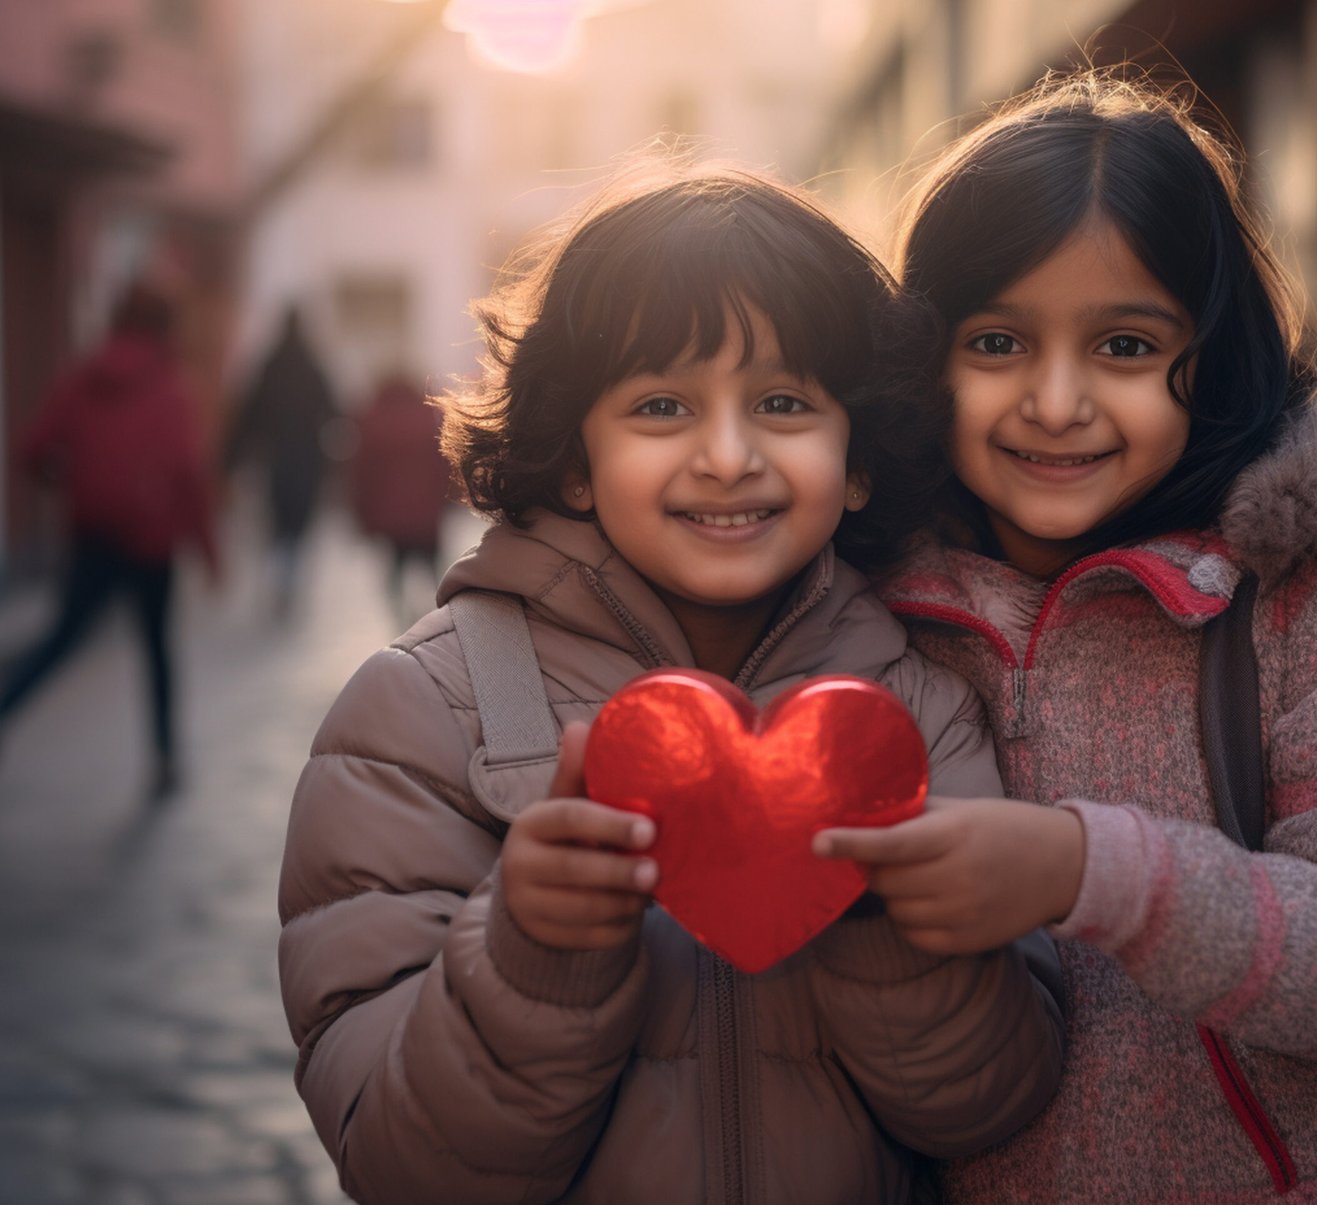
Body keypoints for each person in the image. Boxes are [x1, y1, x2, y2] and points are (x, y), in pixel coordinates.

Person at [278, 168, 1068, 1204]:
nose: (728, 456)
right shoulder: (416, 716)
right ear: (574, 457)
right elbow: (399, 1160)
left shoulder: (919, 710)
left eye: (782, 403)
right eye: (662, 406)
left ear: (859, 458)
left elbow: (995, 1101)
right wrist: (534, 955)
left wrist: (887, 922)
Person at [816, 70, 1317, 1202]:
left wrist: (1103, 873)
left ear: (1212, 356)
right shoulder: (859, 605)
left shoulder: (1312, 603)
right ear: (922, 357)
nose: (1056, 401)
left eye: (1125, 346)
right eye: (997, 341)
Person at [0, 281, 219, 798]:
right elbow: (189, 474)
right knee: (157, 649)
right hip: (152, 541)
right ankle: (165, 759)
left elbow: (35, 449)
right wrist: (210, 552)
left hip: (92, 534)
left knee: (59, 641)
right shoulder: (170, 385)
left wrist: (73, 482)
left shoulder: (83, 374)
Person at [225, 304, 337, 621]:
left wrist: (232, 458)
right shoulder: (314, 367)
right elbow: (333, 411)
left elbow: (250, 413)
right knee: (298, 525)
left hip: (275, 459)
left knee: (277, 523)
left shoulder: (269, 366)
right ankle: (288, 583)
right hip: (307, 459)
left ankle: (277, 579)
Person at [347, 371, 452, 624]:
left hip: (391, 517)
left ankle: (403, 621)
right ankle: (437, 621)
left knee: (395, 573)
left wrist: (361, 512)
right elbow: (445, 464)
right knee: (435, 573)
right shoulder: (429, 416)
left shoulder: (372, 418)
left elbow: (361, 473)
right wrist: (448, 500)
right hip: (426, 513)